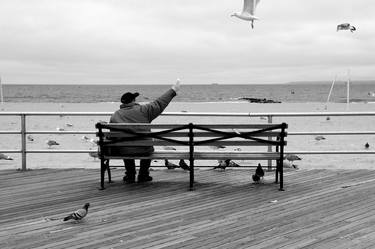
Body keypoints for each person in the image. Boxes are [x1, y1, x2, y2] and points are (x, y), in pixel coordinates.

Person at [110, 79, 181, 183]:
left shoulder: (115, 115)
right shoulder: (144, 110)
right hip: (144, 149)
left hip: (125, 150)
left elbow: (113, 136)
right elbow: (160, 103)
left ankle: (130, 175)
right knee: (147, 149)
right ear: (133, 101)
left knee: (125, 147)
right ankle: (143, 175)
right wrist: (173, 91)